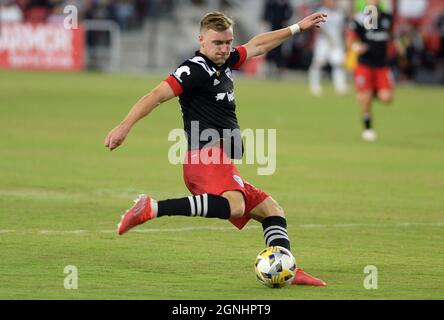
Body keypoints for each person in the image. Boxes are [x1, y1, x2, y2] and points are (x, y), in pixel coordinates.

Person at [104, 11, 327, 286]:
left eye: (228, 42)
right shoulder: (194, 69)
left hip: (220, 159)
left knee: (272, 210)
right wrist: (124, 126)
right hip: (204, 156)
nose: (224, 49)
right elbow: (155, 96)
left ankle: (287, 267)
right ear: (201, 40)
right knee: (236, 206)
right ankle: (152, 207)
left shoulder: (226, 60)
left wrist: (296, 28)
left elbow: (258, 45)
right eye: (217, 43)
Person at [347, 0, 395, 142]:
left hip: (381, 65)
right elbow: (350, 41)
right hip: (365, 65)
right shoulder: (360, 19)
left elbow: (390, 35)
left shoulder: (387, 18)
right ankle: (368, 129)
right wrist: (357, 47)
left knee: (387, 98)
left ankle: (368, 91)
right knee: (366, 99)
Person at [309, 0, 348, 96]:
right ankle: (315, 86)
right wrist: (329, 39)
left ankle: (340, 86)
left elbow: (343, 28)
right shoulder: (321, 11)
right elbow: (319, 28)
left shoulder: (340, 12)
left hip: (337, 42)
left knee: (338, 63)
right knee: (318, 63)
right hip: (324, 42)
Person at [262, 0, 294, 78]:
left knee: (279, 48)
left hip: (282, 28)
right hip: (272, 27)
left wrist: (286, 20)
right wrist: (265, 20)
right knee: (270, 47)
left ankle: (280, 69)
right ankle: (269, 68)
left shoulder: (285, 3)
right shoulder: (271, 2)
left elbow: (290, 12)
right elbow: (266, 12)